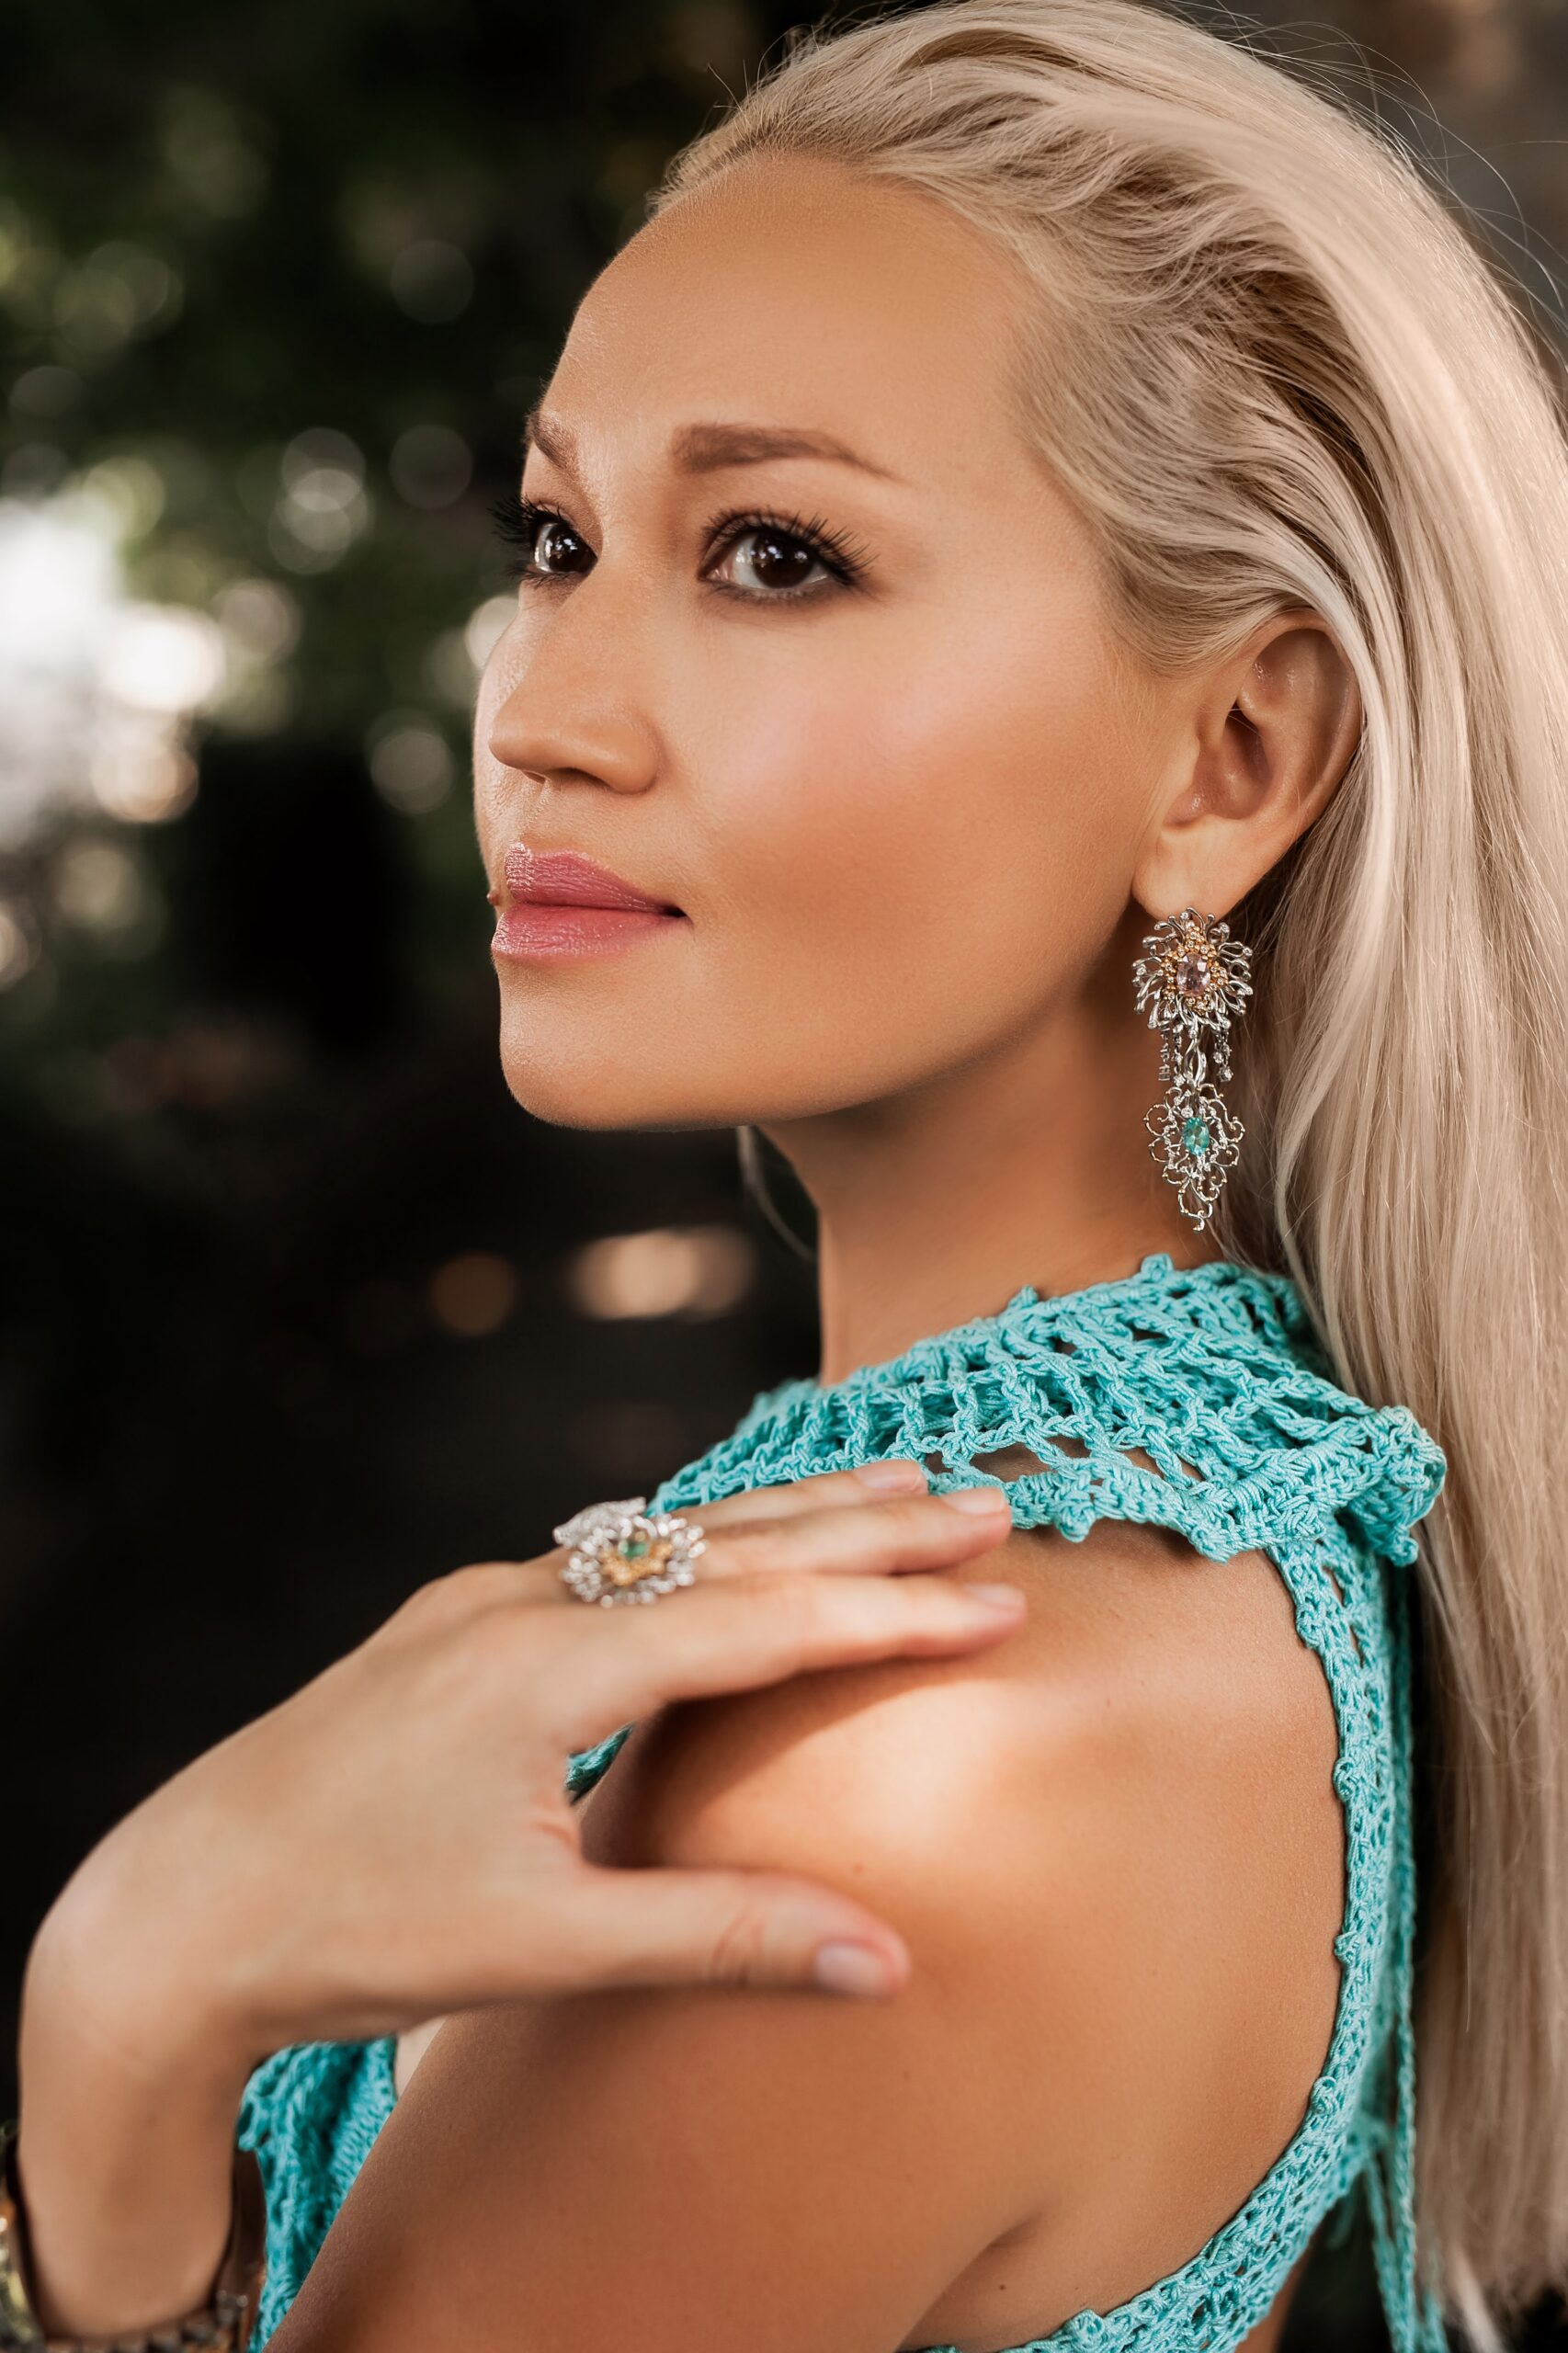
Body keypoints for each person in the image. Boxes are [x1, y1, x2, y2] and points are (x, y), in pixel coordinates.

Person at [11, 2, 1568, 2349]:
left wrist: (123, 1991)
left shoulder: (902, 1770)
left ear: (1229, 757)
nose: (542, 713)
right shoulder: (1230, 1502)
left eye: (774, 552)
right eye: (560, 538)